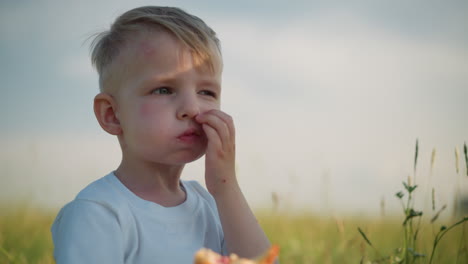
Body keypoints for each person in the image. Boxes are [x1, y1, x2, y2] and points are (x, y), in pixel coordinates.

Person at [51, 6, 272, 264]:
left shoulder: (210, 205)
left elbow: (262, 261)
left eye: (207, 92)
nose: (192, 108)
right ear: (112, 114)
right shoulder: (98, 213)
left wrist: (226, 188)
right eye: (164, 90)